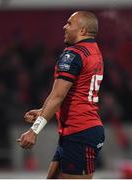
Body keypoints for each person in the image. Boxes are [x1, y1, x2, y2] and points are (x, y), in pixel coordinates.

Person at [17, 11, 105, 179]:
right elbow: (67, 94)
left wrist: (34, 131)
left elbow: (58, 96)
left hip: (80, 132)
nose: (65, 27)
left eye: (70, 23)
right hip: (80, 131)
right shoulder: (94, 51)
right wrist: (43, 110)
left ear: (83, 30)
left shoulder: (73, 54)